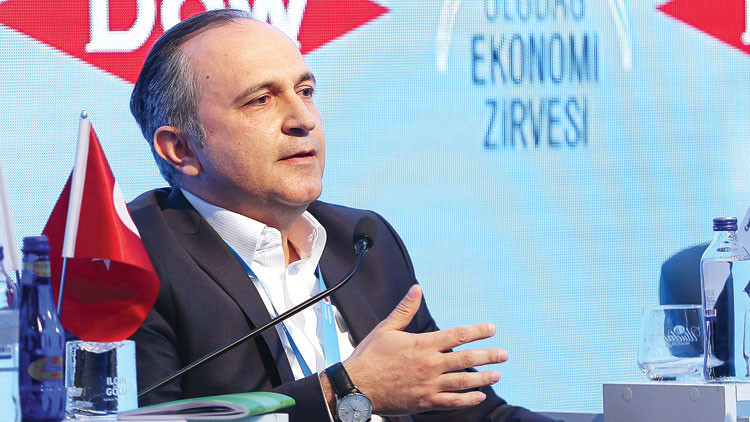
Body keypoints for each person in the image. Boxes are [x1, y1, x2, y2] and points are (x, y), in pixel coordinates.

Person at [127, 8, 555, 422]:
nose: (303, 119)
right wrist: (343, 392)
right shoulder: (131, 262)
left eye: (305, 91)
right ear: (180, 149)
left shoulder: (362, 242)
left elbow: (473, 414)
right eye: (261, 100)